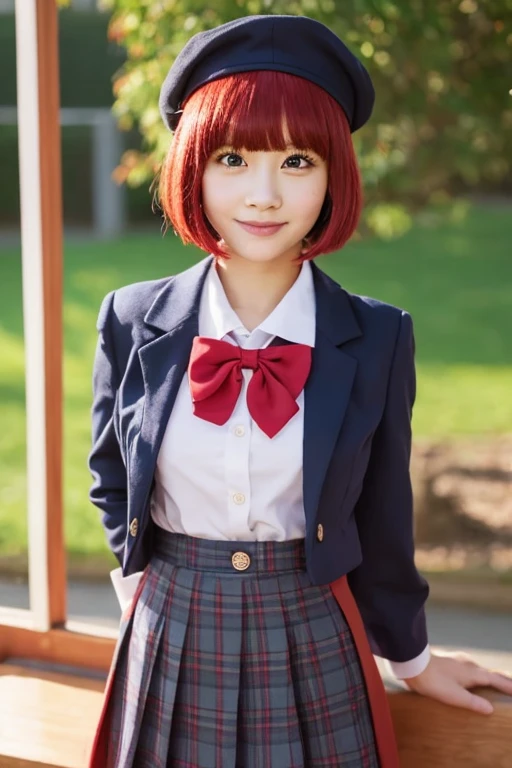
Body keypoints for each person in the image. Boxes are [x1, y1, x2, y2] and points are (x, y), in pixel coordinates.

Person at [87, 14, 512, 768]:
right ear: (194, 167)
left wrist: (413, 661)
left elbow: (384, 518)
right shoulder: (130, 320)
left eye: (296, 161)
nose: (262, 194)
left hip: (315, 634)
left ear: (333, 176)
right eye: (232, 158)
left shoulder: (378, 337)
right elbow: (111, 475)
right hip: (169, 634)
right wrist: (140, 595)